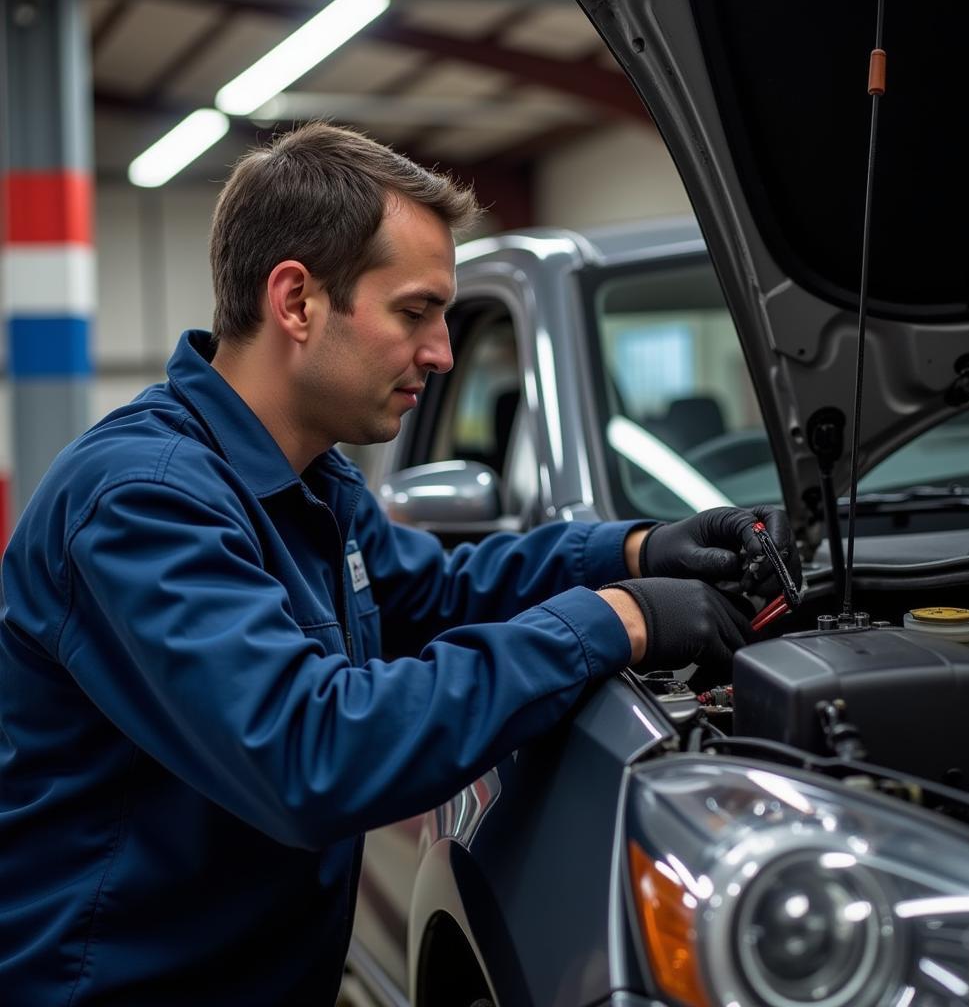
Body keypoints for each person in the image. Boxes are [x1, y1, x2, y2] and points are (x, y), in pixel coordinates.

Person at [0, 123, 800, 1005]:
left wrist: (632, 548)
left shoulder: (311, 480)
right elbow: (312, 754)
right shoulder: (141, 502)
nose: (443, 353)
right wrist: (619, 618)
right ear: (297, 301)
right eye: (415, 312)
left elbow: (435, 591)